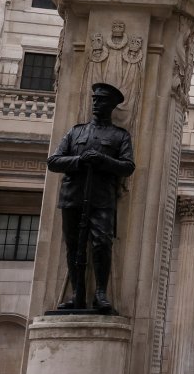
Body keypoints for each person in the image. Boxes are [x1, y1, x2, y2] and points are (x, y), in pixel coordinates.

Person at [47, 82, 135, 314]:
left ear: (112, 105)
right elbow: (54, 161)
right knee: (74, 246)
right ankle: (77, 293)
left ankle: (100, 293)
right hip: (73, 196)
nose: (96, 103)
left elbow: (128, 167)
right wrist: (79, 161)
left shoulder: (119, 135)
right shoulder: (75, 132)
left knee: (102, 243)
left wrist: (103, 161)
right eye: (95, 99)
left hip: (101, 198)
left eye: (102, 100)